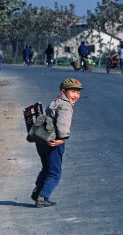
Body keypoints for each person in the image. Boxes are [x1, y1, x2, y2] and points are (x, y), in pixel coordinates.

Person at [31, 78, 83, 208]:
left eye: (78, 92)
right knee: (55, 172)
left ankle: (38, 188)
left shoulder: (56, 101)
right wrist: (62, 139)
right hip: (54, 141)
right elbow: (63, 125)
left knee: (46, 167)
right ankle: (43, 197)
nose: (76, 95)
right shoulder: (66, 105)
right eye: (73, 91)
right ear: (63, 91)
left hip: (42, 139)